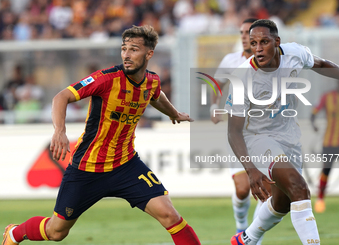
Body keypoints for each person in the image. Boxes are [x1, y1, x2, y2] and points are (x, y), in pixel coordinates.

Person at [2, 25, 201, 245]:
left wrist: (174, 113)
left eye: (133, 49)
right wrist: (60, 131)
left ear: (149, 54)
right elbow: (61, 96)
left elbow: (155, 95)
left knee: (170, 215)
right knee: (56, 232)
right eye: (124, 48)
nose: (126, 54)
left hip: (126, 165)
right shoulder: (106, 79)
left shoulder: (152, 81)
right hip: (87, 168)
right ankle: (14, 233)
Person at [226, 19, 339, 245]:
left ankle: (247, 238)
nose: (258, 49)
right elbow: (234, 131)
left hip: (289, 136)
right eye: (254, 43)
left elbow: (322, 64)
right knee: (299, 188)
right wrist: (250, 169)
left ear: (277, 42)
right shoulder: (242, 77)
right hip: (257, 138)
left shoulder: (295, 54)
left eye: (264, 42)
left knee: (283, 202)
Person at [210, 18, 270, 242]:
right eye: (242, 32)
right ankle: (241, 225)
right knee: (243, 189)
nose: (244, 36)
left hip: (265, 133)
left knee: (265, 189)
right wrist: (215, 106)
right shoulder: (231, 60)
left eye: (249, 32)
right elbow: (217, 84)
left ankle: (251, 238)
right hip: (239, 133)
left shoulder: (270, 61)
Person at [311, 80, 339, 213]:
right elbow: (314, 112)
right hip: (330, 142)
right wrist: (314, 124)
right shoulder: (327, 96)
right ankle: (320, 199)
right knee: (326, 170)